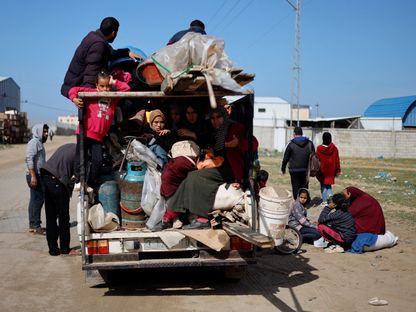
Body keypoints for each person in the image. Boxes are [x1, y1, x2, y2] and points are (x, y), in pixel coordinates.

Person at [166, 106, 257, 229]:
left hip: (232, 170)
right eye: (213, 118)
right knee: (191, 175)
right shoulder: (217, 132)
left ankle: (202, 219)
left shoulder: (234, 127)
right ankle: (173, 211)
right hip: (222, 166)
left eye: (218, 117)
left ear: (225, 116)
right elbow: (221, 152)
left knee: (198, 178)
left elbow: (254, 143)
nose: (215, 121)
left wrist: (237, 144)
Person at [68, 70, 130, 188]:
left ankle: (90, 183)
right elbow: (73, 90)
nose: (105, 89)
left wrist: (114, 81)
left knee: (98, 160)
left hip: (98, 137)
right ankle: (78, 180)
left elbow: (126, 89)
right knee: (81, 157)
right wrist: (74, 99)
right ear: (97, 86)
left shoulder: (113, 98)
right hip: (84, 132)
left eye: (107, 86)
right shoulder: (91, 93)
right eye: (102, 86)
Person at [61, 17, 141, 98]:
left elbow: (111, 53)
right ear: (113, 33)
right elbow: (91, 73)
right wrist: (89, 97)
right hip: (79, 87)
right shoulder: (99, 45)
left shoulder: (94, 37)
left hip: (74, 84)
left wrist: (127, 52)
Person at [40, 143, 78, 256]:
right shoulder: (80, 153)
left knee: (51, 217)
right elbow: (78, 175)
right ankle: (65, 249)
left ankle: (53, 250)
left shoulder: (68, 146)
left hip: (46, 177)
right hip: (56, 181)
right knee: (63, 217)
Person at [25, 123, 49, 234]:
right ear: (38, 131)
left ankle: (33, 224)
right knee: (37, 200)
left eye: (46, 131)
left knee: (35, 200)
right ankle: (36, 226)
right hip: (35, 175)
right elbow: (29, 159)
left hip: (38, 175)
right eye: (44, 131)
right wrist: (33, 176)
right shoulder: (33, 142)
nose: (46, 134)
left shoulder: (39, 142)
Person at [281, 126, 315, 199]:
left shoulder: (291, 144)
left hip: (294, 170)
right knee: (304, 186)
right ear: (302, 133)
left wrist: (283, 168)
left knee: (295, 186)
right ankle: (304, 203)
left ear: (294, 134)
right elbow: (314, 156)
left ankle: (297, 202)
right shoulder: (309, 143)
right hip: (306, 169)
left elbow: (285, 158)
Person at [316, 132, 341, 204]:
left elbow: (316, 160)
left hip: (322, 171)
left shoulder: (319, 149)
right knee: (329, 185)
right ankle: (330, 199)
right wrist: (338, 170)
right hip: (331, 171)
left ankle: (324, 201)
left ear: (323, 139)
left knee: (323, 185)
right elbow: (337, 160)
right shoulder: (334, 148)